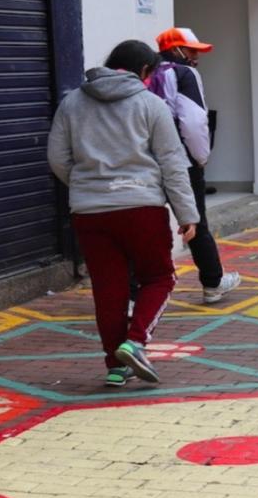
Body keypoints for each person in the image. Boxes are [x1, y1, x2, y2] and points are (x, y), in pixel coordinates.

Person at [47, 40, 199, 386]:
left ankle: (116, 366)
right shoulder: (151, 104)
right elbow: (172, 163)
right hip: (141, 208)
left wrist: (88, 185)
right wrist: (188, 214)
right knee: (160, 277)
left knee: (109, 288)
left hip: (89, 212)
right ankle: (136, 341)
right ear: (145, 71)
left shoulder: (72, 103)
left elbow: (57, 157)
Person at [151, 27, 241, 304]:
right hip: (181, 160)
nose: (196, 57)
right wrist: (201, 157)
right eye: (191, 51)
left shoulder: (149, 73)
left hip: (147, 160)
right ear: (176, 50)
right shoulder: (184, 74)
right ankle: (213, 282)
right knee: (194, 219)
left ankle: (139, 290)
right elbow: (193, 121)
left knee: (149, 222)